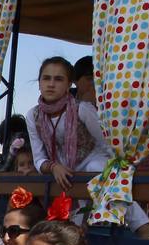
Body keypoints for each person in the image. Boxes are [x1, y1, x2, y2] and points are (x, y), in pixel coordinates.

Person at [26, 56, 112, 192]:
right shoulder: (33, 115)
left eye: (58, 79)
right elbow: (39, 159)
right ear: (39, 83)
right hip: (63, 176)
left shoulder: (82, 109)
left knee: (96, 167)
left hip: (94, 167)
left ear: (69, 84)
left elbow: (106, 143)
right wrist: (53, 167)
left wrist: (122, 169)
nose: (51, 84)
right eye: (46, 78)